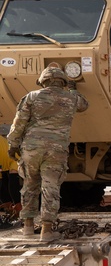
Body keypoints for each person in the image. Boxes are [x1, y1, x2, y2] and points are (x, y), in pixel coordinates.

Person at [7, 64, 88, 241]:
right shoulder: (71, 98)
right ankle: (47, 230)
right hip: (56, 150)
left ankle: (28, 227)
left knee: (29, 185)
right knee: (50, 187)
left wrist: (12, 145)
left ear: (43, 82)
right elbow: (84, 105)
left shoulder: (31, 97)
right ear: (62, 82)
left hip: (32, 148)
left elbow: (18, 123)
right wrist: (72, 90)